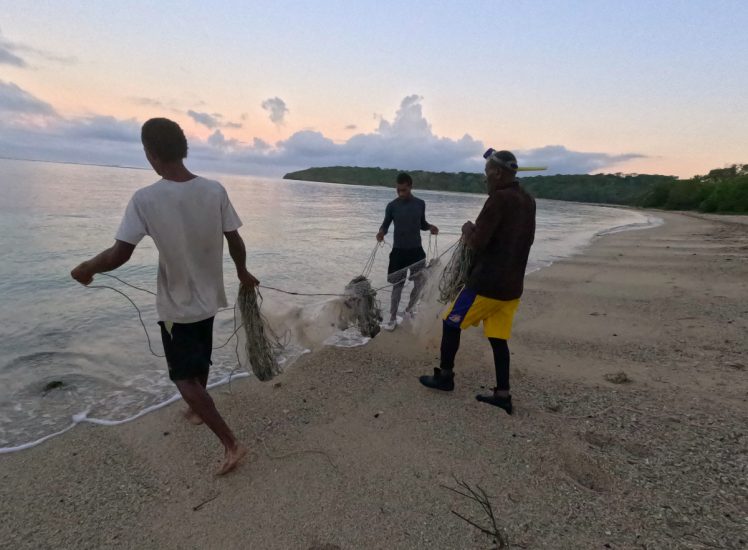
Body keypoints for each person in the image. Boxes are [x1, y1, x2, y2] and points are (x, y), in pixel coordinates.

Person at [71, 118, 256, 475]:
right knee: (198, 356)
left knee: (182, 377)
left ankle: (232, 444)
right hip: (209, 298)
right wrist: (242, 273)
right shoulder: (214, 190)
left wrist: (87, 268)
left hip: (176, 304)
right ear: (183, 149)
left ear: (150, 153)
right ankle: (195, 410)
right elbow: (235, 239)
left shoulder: (146, 199)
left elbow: (119, 254)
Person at [418, 149, 536, 415]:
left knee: (450, 322)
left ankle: (445, 377)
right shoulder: (528, 200)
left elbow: (478, 241)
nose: (485, 179)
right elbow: (526, 240)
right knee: (497, 338)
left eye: (486, 174)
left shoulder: (498, 199)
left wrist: (467, 228)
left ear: (496, 172)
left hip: (486, 285)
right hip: (512, 288)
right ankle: (502, 394)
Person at [376, 172, 438, 328]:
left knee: (420, 283)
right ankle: (392, 318)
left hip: (416, 251)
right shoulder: (392, 206)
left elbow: (422, 223)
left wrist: (430, 227)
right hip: (398, 252)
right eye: (398, 190)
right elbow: (385, 225)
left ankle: (409, 310)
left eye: (403, 190)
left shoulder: (420, 203)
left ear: (410, 187)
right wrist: (381, 233)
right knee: (397, 285)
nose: (400, 193)